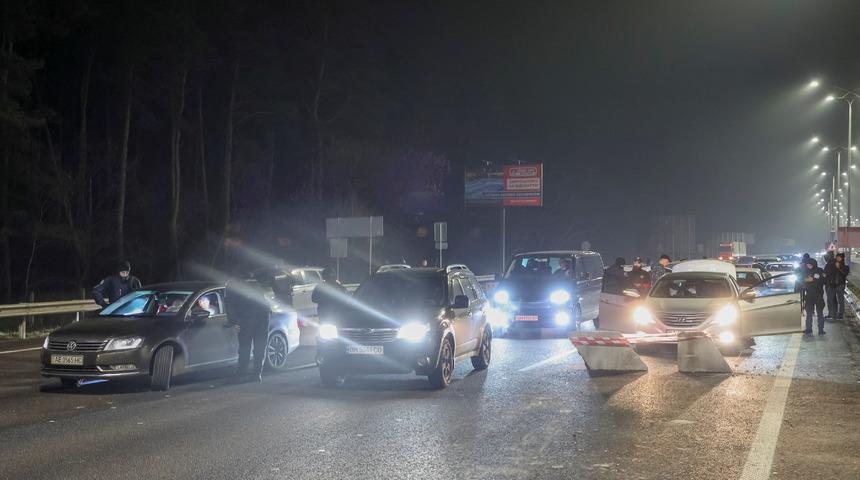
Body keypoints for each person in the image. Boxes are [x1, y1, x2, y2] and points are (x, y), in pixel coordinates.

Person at [226, 275, 272, 382]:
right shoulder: (255, 284)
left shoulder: (231, 286)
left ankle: (242, 374)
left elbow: (230, 305)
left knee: (245, 348)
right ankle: (257, 374)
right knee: (260, 347)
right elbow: (266, 303)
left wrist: (233, 322)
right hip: (263, 317)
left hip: (246, 319)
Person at [800, 258, 826, 335]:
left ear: (814, 264)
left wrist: (813, 280)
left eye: (810, 265)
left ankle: (821, 330)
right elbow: (800, 281)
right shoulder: (804, 271)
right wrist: (805, 280)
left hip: (818, 295)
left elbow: (824, 280)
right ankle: (808, 329)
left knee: (820, 313)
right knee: (809, 313)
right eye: (807, 265)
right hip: (809, 295)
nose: (809, 266)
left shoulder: (819, 270)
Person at [825, 253, 850, 320]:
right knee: (829, 300)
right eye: (837, 257)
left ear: (842, 258)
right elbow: (827, 273)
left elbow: (845, 273)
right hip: (832, 285)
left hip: (840, 285)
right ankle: (831, 314)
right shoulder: (831, 265)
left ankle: (840, 315)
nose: (838, 258)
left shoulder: (845, 266)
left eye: (840, 257)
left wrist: (839, 267)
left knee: (840, 301)